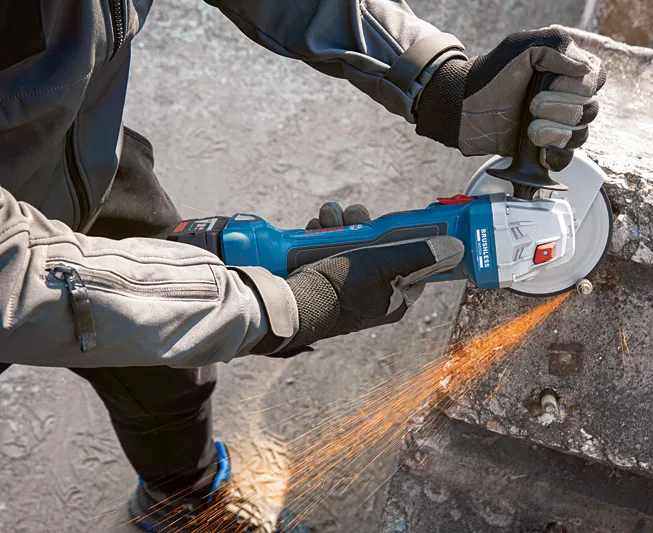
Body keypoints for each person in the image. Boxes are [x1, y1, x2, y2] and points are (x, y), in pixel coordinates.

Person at [0, 1, 605, 531]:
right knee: (195, 303)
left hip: (75, 155)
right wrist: (275, 306)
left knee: (173, 360)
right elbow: (13, 281)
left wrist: (434, 80)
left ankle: (183, 498)